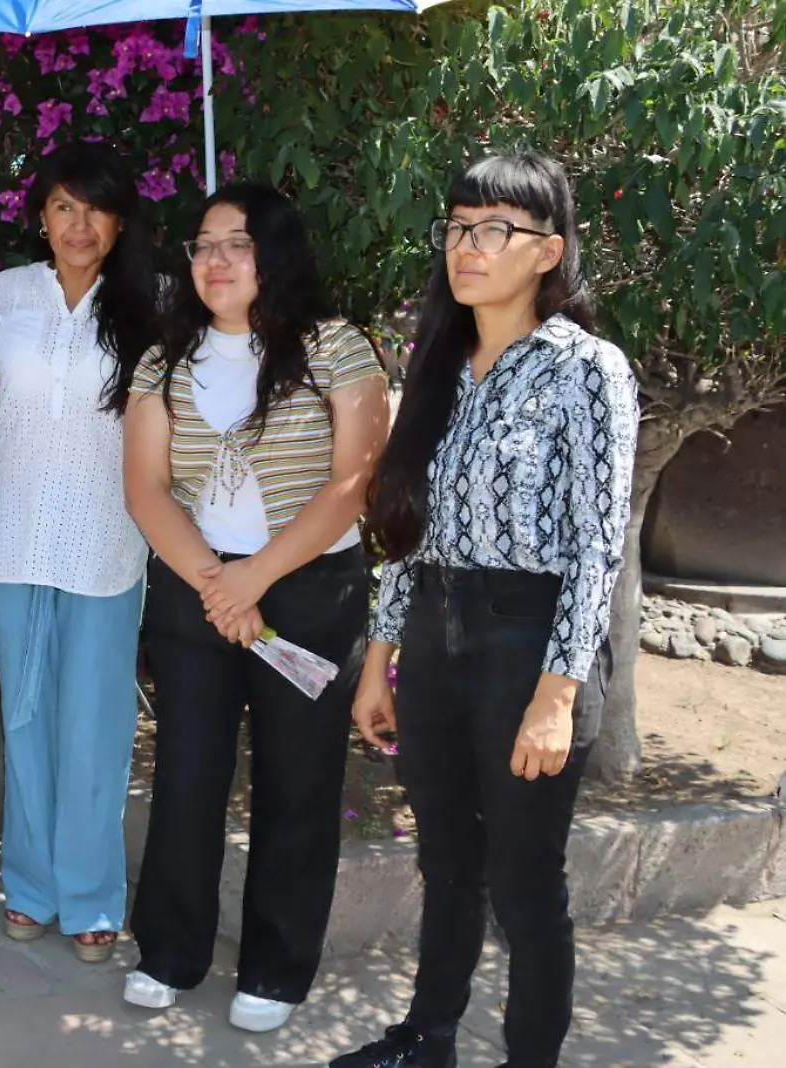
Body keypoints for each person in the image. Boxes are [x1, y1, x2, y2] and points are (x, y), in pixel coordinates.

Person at [332, 153, 637, 1068]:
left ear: (548, 251)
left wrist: (556, 695)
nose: (469, 246)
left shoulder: (588, 369)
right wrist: (381, 657)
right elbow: (405, 532)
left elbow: (596, 546)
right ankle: (428, 1041)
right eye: (459, 226)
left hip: (526, 641)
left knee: (523, 881)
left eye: (494, 229)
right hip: (434, 633)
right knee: (447, 864)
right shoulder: (439, 363)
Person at [117, 185, 391, 1032]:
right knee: (188, 775)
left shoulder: (336, 349)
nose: (216, 261)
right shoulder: (165, 360)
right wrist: (215, 582)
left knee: (297, 782)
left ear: (275, 255)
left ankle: (275, 969)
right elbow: (145, 488)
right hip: (197, 588)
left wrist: (255, 580)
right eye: (202, 245)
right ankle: (169, 951)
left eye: (237, 244)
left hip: (308, 589)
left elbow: (353, 486)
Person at [0, 142, 158, 964]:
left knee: (98, 731)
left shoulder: (153, 305)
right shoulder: (10, 294)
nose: (78, 224)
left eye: (95, 207)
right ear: (40, 214)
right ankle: (30, 886)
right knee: (25, 719)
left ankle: (93, 896)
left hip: (108, 548)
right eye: (63, 206)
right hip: (9, 543)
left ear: (119, 220)